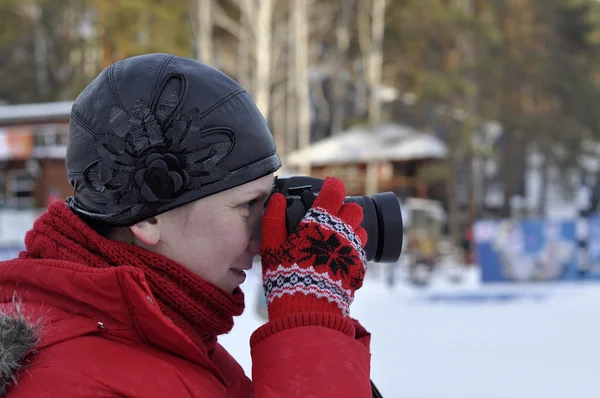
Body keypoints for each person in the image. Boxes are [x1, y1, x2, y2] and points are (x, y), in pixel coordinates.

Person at [0, 53, 373, 397]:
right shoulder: (66, 382)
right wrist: (309, 328)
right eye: (248, 206)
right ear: (148, 217)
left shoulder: (168, 336)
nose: (264, 241)